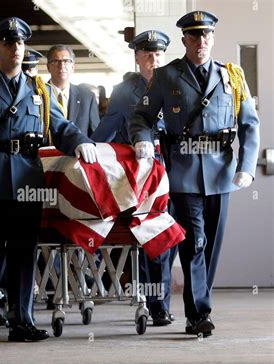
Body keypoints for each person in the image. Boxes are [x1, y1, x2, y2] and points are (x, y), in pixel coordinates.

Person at [0, 17, 98, 342]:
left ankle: (22, 320)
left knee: (23, 253)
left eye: (19, 42)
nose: (15, 48)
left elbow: (60, 126)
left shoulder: (39, 90)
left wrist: (81, 142)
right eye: (8, 42)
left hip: (28, 184)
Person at [130, 11, 260, 337]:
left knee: (211, 245)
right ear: (184, 40)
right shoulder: (166, 76)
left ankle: (199, 305)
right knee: (195, 242)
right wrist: (143, 142)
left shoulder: (232, 75)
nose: (201, 42)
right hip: (184, 171)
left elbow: (249, 123)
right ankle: (199, 313)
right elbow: (141, 116)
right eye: (194, 36)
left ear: (212, 38)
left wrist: (246, 166)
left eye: (206, 36)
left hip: (220, 171)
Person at [92, 31, 175, 326]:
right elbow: (108, 127)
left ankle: (159, 300)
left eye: (158, 55)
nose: (153, 61)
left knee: (169, 239)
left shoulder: (175, 82)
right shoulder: (126, 91)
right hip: (141, 178)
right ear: (137, 58)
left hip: (173, 170)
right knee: (147, 236)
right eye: (147, 55)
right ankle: (157, 305)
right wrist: (86, 148)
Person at [46, 44, 100, 137]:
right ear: (48, 67)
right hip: (45, 150)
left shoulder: (87, 97)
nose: (61, 65)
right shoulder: (38, 94)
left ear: (73, 67)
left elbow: (96, 135)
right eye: (55, 61)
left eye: (66, 61)